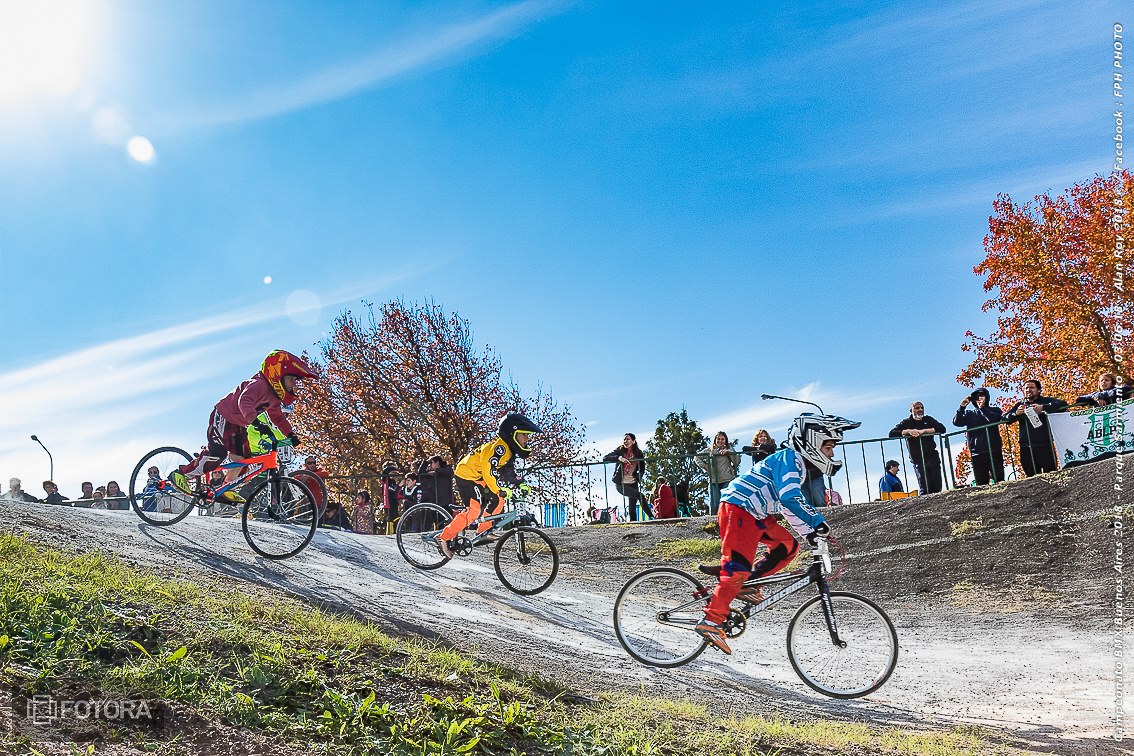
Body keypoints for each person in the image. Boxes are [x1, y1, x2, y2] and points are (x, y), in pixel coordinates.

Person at [695, 414, 860, 655]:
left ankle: (747, 584)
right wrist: (818, 522)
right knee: (737, 568)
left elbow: (787, 507)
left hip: (755, 513)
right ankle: (711, 621)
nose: (832, 454)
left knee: (788, 547)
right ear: (812, 443)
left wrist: (810, 535)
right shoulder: (790, 458)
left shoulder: (797, 467)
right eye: (828, 447)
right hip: (738, 507)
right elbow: (790, 499)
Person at [170, 350, 320, 503]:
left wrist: (290, 434)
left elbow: (278, 418)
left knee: (244, 461)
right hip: (224, 416)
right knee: (217, 454)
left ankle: (225, 488)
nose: (294, 384)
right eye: (292, 379)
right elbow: (244, 400)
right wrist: (255, 421)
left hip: (238, 425)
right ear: (278, 374)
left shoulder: (273, 398)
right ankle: (182, 474)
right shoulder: (259, 385)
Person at [439, 413, 541, 559]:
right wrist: (500, 489)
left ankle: (483, 532)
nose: (527, 438)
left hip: (478, 477)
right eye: (524, 434)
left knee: (499, 500)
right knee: (474, 511)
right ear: (512, 434)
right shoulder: (499, 448)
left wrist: (521, 484)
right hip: (467, 475)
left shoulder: (508, 451)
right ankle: (444, 537)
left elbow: (508, 472)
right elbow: (489, 471)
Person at [1006, 379, 1069, 476]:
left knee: (1052, 475)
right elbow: (1004, 418)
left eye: (1032, 387)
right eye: (1026, 388)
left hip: (1044, 443)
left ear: (1039, 390)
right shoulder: (1020, 405)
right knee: (1031, 477)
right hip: (1026, 446)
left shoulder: (1045, 401)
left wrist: (1043, 407)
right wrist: (1016, 413)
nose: (1028, 390)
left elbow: (1063, 404)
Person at [888, 402, 947, 495]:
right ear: (911, 410)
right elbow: (891, 433)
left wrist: (924, 431)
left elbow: (942, 428)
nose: (920, 410)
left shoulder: (928, 419)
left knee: (937, 486)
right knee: (924, 488)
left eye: (921, 407)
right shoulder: (906, 422)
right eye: (916, 408)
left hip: (933, 457)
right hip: (918, 460)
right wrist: (908, 431)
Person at [953, 388, 1006, 485]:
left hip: (994, 450)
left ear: (987, 397)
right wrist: (962, 407)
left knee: (1000, 480)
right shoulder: (970, 414)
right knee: (981, 484)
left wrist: (983, 409)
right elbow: (957, 422)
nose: (979, 398)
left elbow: (994, 419)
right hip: (977, 452)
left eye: (982, 395)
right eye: (977, 397)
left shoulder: (995, 410)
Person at [603, 433, 648, 521]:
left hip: (633, 482)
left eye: (628, 439)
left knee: (632, 508)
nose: (625, 441)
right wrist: (619, 458)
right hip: (621, 484)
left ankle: (634, 525)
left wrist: (638, 477)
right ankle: (653, 517)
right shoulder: (620, 450)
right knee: (640, 496)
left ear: (633, 441)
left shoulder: (638, 453)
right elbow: (605, 458)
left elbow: (642, 468)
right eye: (624, 439)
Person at [696, 431, 741, 516]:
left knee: (727, 501)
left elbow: (737, 462)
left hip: (727, 478)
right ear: (715, 440)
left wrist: (729, 453)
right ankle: (714, 521)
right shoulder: (709, 450)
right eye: (718, 439)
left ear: (726, 440)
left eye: (722, 439)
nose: (720, 441)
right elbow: (696, 457)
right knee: (714, 503)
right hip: (713, 479)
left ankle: (729, 519)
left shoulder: (730, 449)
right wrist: (705, 466)